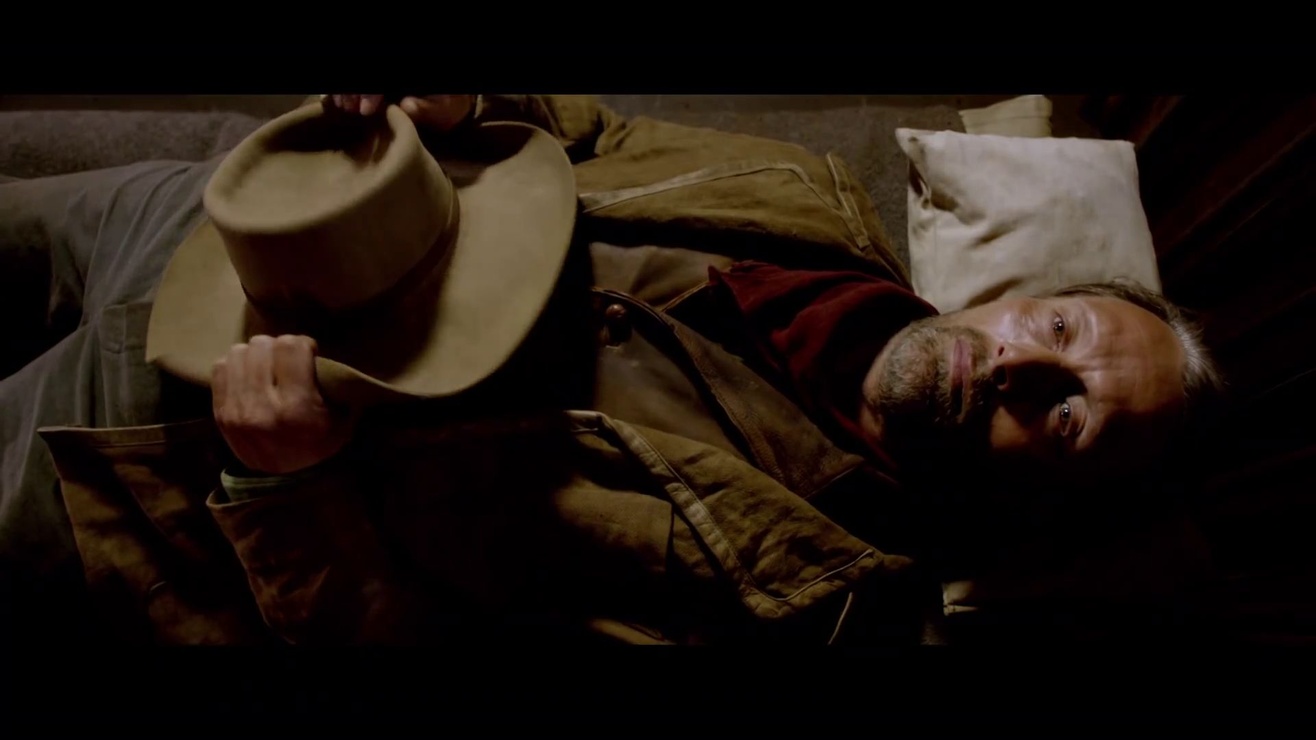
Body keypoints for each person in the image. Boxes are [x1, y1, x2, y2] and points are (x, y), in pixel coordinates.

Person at [0, 94, 1222, 646]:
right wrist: (466, 101)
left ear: (1042, 503)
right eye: (1057, 329)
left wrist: (293, 489)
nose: (1019, 367)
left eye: (1067, 419)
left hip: (141, 458)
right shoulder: (814, 203)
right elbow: (591, 133)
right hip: (206, 216)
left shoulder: (809, 604)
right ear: (1021, 295)